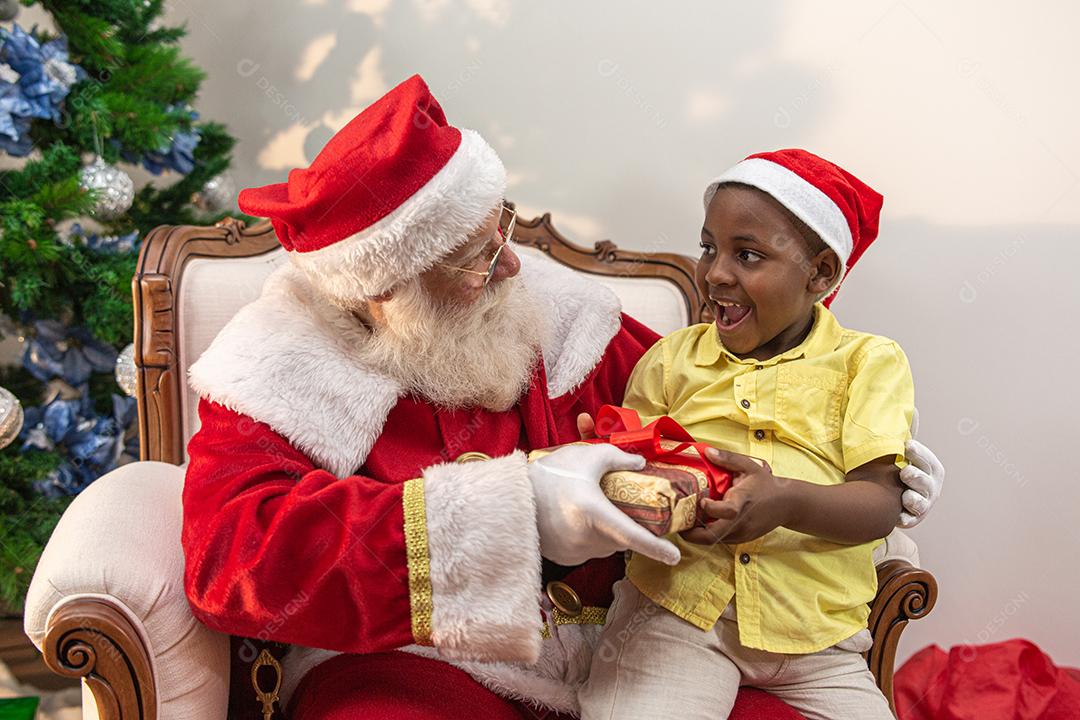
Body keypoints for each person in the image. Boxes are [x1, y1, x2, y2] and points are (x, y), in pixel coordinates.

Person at [181, 76, 943, 719]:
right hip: (420, 659)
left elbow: (718, 400)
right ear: (388, 291)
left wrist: (859, 464)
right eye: (477, 258)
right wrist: (519, 514)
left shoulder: (555, 313)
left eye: (500, 230)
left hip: (638, 647)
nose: (514, 267)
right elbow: (234, 561)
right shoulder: (280, 364)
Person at [579, 149, 922, 720]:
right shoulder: (670, 361)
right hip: (676, 615)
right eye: (710, 247)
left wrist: (784, 499)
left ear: (820, 273)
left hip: (822, 636)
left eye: (748, 254)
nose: (715, 273)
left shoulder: (870, 362)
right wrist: (607, 465)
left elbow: (881, 502)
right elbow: (633, 467)